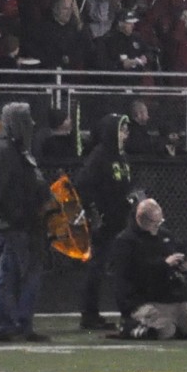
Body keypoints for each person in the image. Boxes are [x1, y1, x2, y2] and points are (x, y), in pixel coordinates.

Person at [0, 103, 54, 342]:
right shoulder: (3, 150)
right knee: (10, 274)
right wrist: (15, 215)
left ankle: (23, 323)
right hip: (12, 225)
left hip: (30, 225)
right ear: (15, 121)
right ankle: (3, 323)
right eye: (26, 119)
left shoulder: (21, 150)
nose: (32, 124)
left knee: (28, 275)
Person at [102, 198, 187, 339]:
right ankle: (130, 326)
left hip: (171, 299)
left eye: (160, 221)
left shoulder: (165, 236)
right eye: (155, 222)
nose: (158, 226)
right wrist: (164, 265)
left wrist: (183, 266)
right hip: (143, 300)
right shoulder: (125, 241)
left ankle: (174, 326)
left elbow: (178, 259)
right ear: (141, 219)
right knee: (165, 331)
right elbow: (135, 274)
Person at [75, 113, 138, 331]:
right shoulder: (99, 156)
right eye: (122, 130)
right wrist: (93, 211)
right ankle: (89, 313)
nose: (125, 134)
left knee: (122, 268)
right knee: (97, 267)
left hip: (122, 221)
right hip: (105, 223)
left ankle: (129, 311)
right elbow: (82, 185)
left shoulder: (122, 156)